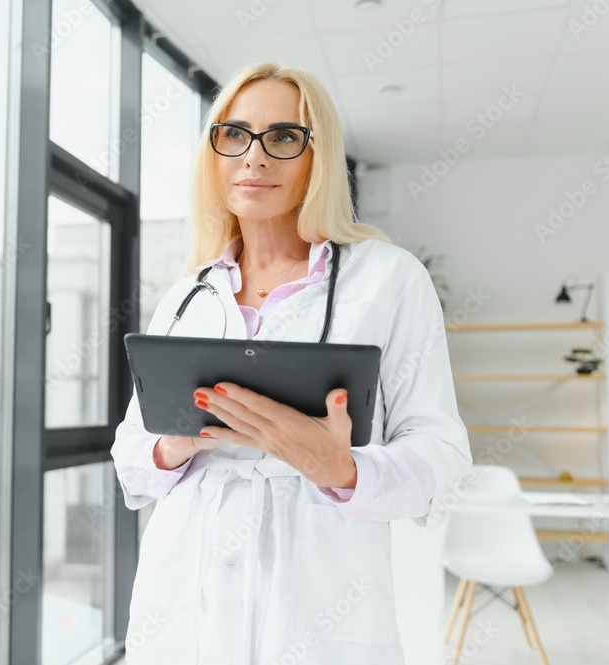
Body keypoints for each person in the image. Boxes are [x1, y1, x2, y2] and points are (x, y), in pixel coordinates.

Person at [110, 61, 471, 664]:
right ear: (214, 152)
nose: (254, 157)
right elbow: (130, 461)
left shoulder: (388, 278)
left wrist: (343, 468)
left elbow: (443, 456)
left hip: (320, 601)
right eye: (234, 135)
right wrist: (172, 444)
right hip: (186, 597)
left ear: (318, 158)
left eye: (282, 137)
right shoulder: (188, 292)